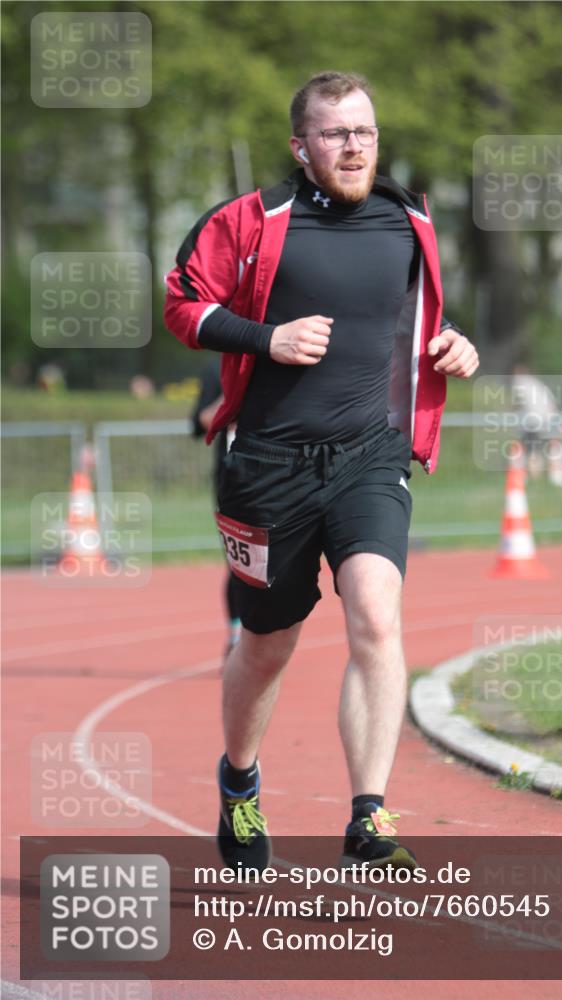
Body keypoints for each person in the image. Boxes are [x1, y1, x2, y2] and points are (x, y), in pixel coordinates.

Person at [164, 71, 479, 872]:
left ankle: (368, 819)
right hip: (269, 464)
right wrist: (264, 338)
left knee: (375, 613)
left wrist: (452, 344)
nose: (353, 146)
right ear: (300, 146)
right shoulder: (249, 218)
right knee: (267, 643)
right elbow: (181, 305)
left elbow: (413, 317)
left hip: (369, 454)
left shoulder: (407, 220)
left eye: (364, 131)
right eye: (335, 133)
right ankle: (240, 782)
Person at [191, 357, 242, 656]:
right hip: (231, 480)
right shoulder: (217, 366)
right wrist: (235, 392)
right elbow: (201, 421)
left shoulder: (280, 358)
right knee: (238, 562)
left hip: (280, 477)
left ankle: (265, 634)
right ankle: (236, 634)